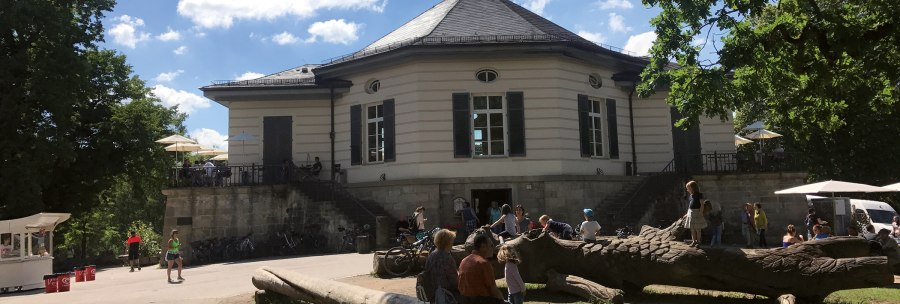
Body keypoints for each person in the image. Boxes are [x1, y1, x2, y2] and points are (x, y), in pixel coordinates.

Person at [458, 233, 504, 304]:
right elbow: (493, 289)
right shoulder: (483, 263)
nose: (493, 248)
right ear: (483, 246)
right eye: (491, 245)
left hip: (464, 300)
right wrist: (503, 300)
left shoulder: (463, 261)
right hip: (481, 300)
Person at [424, 229, 459, 302]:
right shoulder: (447, 257)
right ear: (448, 242)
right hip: (445, 294)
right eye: (452, 241)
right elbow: (454, 281)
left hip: (432, 292)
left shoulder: (431, 255)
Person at [683, 181, 706, 248]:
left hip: (697, 212)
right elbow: (690, 206)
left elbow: (702, 204)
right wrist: (687, 213)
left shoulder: (699, 195)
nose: (687, 190)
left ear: (693, 188)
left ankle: (698, 242)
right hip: (691, 213)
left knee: (698, 229)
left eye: (688, 188)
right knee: (692, 229)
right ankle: (694, 241)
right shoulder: (691, 196)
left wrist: (701, 212)